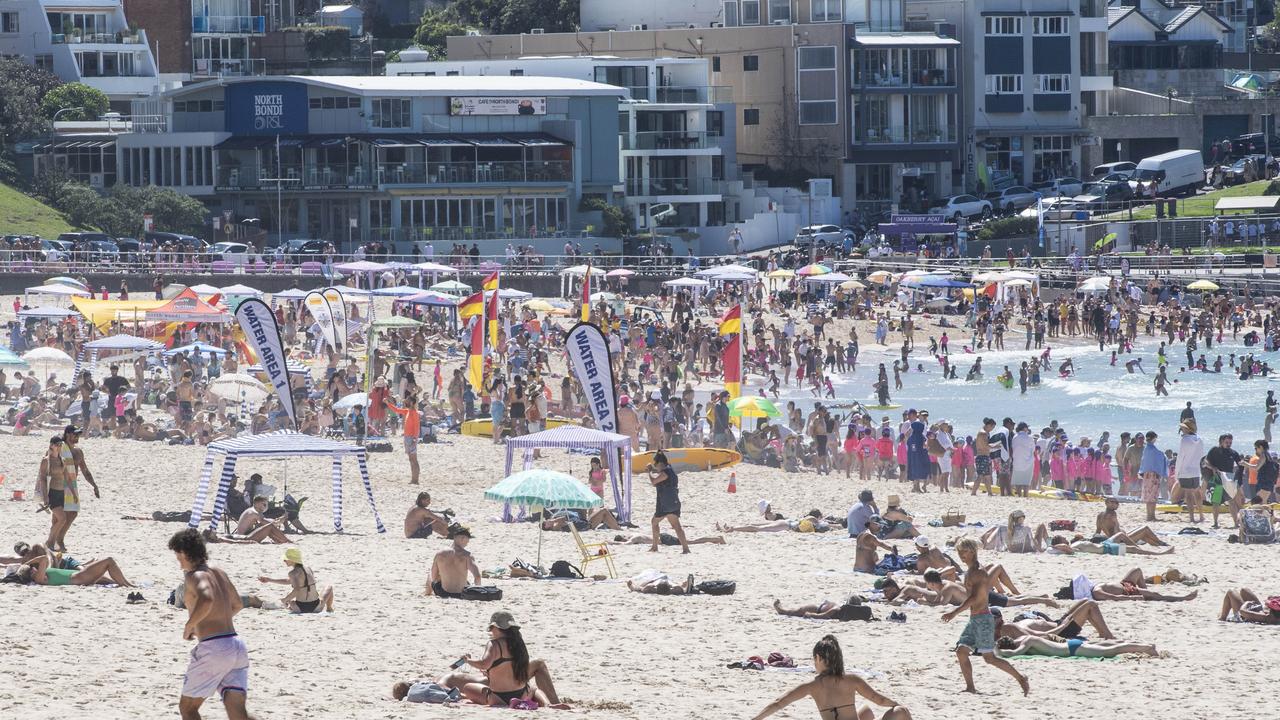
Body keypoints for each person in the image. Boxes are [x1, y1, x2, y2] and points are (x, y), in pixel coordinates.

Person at [169, 528, 257, 720]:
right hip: (236, 645)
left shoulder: (195, 576)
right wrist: (214, 620)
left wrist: (190, 625)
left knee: (188, 708)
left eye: (178, 556)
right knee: (238, 713)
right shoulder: (218, 572)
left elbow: (207, 598)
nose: (178, 562)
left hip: (214, 648)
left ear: (184, 552)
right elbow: (238, 604)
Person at [942, 538, 1029, 696]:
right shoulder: (969, 571)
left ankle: (1020, 677)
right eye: (959, 552)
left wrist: (954, 612)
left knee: (989, 658)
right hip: (975, 619)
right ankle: (970, 688)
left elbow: (975, 598)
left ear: (973, 552)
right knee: (961, 651)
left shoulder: (979, 572)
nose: (962, 555)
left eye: (965, 551)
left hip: (983, 619)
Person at [751, 635, 911, 720]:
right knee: (900, 711)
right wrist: (897, 705)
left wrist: (756, 719)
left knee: (866, 711)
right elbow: (879, 700)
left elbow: (779, 703)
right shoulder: (851, 680)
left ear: (819, 658)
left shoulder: (811, 686)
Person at [437, 611, 562, 707]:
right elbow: (512, 667)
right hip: (522, 693)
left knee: (468, 687)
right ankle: (550, 704)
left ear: (496, 627)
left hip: (499, 697)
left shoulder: (494, 644)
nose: (491, 632)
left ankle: (474, 698)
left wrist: (467, 661)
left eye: (491, 629)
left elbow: (484, 664)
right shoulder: (519, 643)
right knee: (533, 688)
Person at [52, 424, 100, 551]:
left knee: (72, 513)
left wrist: (94, 485)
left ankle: (59, 538)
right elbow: (48, 463)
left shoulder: (78, 452)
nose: (78, 436)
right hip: (59, 483)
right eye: (75, 434)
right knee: (59, 514)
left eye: (78, 434)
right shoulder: (59, 448)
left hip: (72, 484)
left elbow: (85, 470)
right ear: (68, 434)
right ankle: (55, 541)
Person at [256, 547, 333, 614]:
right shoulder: (308, 569)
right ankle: (329, 608)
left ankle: (287, 605)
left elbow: (297, 590)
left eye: (286, 559)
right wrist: (269, 580)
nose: (284, 561)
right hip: (316, 607)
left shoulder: (293, 573)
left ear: (292, 560)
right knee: (329, 587)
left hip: (299, 608)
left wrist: (284, 600)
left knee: (289, 595)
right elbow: (288, 581)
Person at [994, 598, 1115, 640]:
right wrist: (1063, 626)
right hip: (1062, 631)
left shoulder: (1010, 627)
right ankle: (1108, 635)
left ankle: (1102, 633)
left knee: (1085, 601)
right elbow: (1042, 637)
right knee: (1090, 605)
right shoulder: (1012, 628)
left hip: (1058, 623)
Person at [12, 548, 134, 587]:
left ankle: (128, 584)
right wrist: (28, 563)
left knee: (107, 566)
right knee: (109, 561)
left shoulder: (39, 577)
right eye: (31, 568)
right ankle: (127, 585)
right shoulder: (38, 578)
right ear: (30, 572)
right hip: (80, 577)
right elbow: (44, 558)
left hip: (80, 576)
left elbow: (44, 559)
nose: (34, 567)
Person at [648, 451, 690, 553]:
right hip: (673, 501)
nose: (656, 468)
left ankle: (655, 546)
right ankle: (685, 548)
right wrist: (653, 469)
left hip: (665, 504)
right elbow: (660, 474)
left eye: (656, 465)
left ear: (659, 464)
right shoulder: (670, 470)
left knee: (654, 522)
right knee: (677, 527)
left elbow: (654, 482)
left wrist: (649, 472)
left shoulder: (665, 473)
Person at [426, 524, 481, 599]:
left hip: (443, 593)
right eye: (468, 540)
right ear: (462, 538)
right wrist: (477, 592)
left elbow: (434, 577)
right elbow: (477, 577)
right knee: (465, 580)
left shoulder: (440, 554)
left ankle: (427, 593)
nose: (467, 543)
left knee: (430, 574)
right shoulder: (467, 556)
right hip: (461, 594)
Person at [995, 634, 1157, 659]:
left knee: (1110, 651)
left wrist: (996, 651)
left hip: (1072, 649)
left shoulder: (1026, 642)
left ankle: (1147, 647)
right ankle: (1143, 645)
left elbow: (1014, 654)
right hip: (1071, 644)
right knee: (1109, 644)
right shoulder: (1025, 638)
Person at [1089, 568, 1198, 602]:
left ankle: (1146, 590)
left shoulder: (1095, 587)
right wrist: (1133, 597)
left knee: (1137, 570)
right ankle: (1184, 598)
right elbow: (1114, 597)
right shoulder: (1096, 592)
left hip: (1124, 584)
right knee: (1156, 595)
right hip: (1129, 591)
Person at [1094, 497, 1169, 547]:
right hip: (1120, 540)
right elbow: (1116, 532)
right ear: (1106, 503)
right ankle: (1161, 543)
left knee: (1144, 536)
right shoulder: (1112, 514)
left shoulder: (1100, 515)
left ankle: (1159, 545)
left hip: (1114, 539)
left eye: (1117, 503)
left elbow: (1097, 531)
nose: (1116, 504)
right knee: (1145, 529)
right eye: (1112, 502)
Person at [384, 393, 421, 484]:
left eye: (408, 400)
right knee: (411, 459)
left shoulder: (414, 413)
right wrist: (387, 403)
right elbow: (396, 410)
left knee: (414, 459)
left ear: (412, 403)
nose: (405, 401)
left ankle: (415, 480)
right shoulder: (408, 411)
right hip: (407, 437)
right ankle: (414, 479)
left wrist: (415, 439)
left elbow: (417, 427)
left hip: (411, 438)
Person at [1174, 420, 1206, 524]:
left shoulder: (1184, 440)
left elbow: (1180, 457)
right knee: (1197, 492)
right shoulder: (1200, 439)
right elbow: (1202, 456)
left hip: (1185, 470)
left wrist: (1176, 472)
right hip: (1196, 470)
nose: (1182, 429)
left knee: (1188, 494)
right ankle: (1201, 515)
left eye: (1183, 428)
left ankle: (1192, 517)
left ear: (1187, 429)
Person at [979, 510, 1049, 553]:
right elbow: (1034, 545)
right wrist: (1041, 550)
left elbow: (997, 543)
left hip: (1012, 550)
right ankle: (1050, 544)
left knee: (995, 527)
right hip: (1027, 549)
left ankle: (982, 539)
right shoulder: (1026, 529)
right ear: (1021, 519)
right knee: (1041, 525)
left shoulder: (1003, 529)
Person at [771, 596, 873, 622]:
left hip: (818, 609)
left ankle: (781, 610)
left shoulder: (839, 609)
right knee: (797, 611)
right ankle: (781, 610)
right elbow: (824, 615)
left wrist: (810, 615)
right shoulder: (857, 614)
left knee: (797, 611)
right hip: (820, 608)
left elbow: (823, 616)